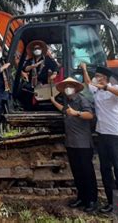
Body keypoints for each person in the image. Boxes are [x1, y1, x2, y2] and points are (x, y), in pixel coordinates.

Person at [80, 63, 118, 214]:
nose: (95, 78)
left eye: (98, 76)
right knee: (105, 169)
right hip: (102, 134)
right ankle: (111, 203)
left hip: (116, 134)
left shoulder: (114, 89)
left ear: (104, 78)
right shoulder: (96, 90)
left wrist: (106, 87)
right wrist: (84, 70)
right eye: (95, 76)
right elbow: (88, 83)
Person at [50, 77, 98, 213]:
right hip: (71, 143)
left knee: (87, 173)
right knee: (77, 173)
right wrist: (53, 101)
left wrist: (76, 113)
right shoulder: (69, 101)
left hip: (83, 143)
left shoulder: (82, 99)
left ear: (76, 88)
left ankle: (92, 200)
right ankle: (81, 198)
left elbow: (90, 115)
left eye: (70, 85)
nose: (67, 88)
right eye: (66, 86)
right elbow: (65, 110)